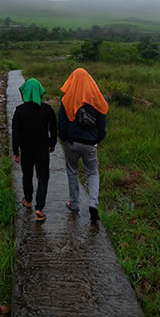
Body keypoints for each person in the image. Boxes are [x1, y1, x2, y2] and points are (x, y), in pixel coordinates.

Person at [58, 68, 108, 224]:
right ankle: (93, 203)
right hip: (90, 143)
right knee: (92, 173)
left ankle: (74, 204)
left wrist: (65, 139)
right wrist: (96, 140)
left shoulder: (67, 99)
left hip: (72, 143)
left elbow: (61, 123)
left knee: (72, 172)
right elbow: (102, 125)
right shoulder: (96, 99)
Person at [11, 77, 57, 222]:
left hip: (26, 150)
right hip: (42, 149)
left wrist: (15, 151)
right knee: (43, 178)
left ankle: (28, 199)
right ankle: (39, 208)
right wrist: (52, 144)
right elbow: (54, 130)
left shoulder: (19, 111)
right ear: (39, 91)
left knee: (27, 174)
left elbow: (16, 133)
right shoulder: (48, 109)